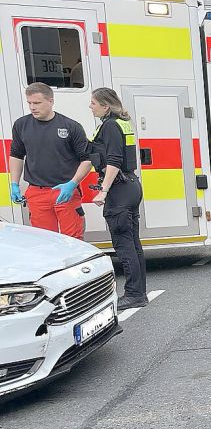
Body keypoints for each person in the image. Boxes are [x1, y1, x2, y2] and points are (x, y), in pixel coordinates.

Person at [88, 88, 148, 310]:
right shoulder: (120, 123)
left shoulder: (111, 126)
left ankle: (134, 294)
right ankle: (139, 293)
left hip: (119, 190)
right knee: (133, 243)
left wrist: (103, 189)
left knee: (124, 245)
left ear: (105, 105)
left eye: (93, 103)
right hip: (129, 186)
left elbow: (113, 159)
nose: (90, 106)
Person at [8, 83, 91, 238]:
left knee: (73, 239)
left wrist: (72, 183)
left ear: (51, 101)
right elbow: (16, 155)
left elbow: (87, 160)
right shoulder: (21, 125)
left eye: (37, 103)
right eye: (29, 103)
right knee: (44, 241)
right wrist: (14, 184)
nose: (32, 107)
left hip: (65, 191)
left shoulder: (70, 126)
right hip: (37, 193)